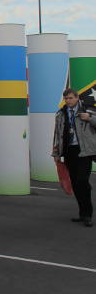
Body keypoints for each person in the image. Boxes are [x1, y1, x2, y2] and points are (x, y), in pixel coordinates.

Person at [52, 88, 96, 227]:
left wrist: (90, 118)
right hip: (69, 151)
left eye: (71, 98)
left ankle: (88, 214)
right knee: (76, 184)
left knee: (82, 181)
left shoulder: (87, 110)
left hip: (84, 151)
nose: (68, 101)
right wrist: (56, 152)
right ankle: (82, 213)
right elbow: (57, 134)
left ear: (77, 98)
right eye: (66, 98)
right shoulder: (61, 114)